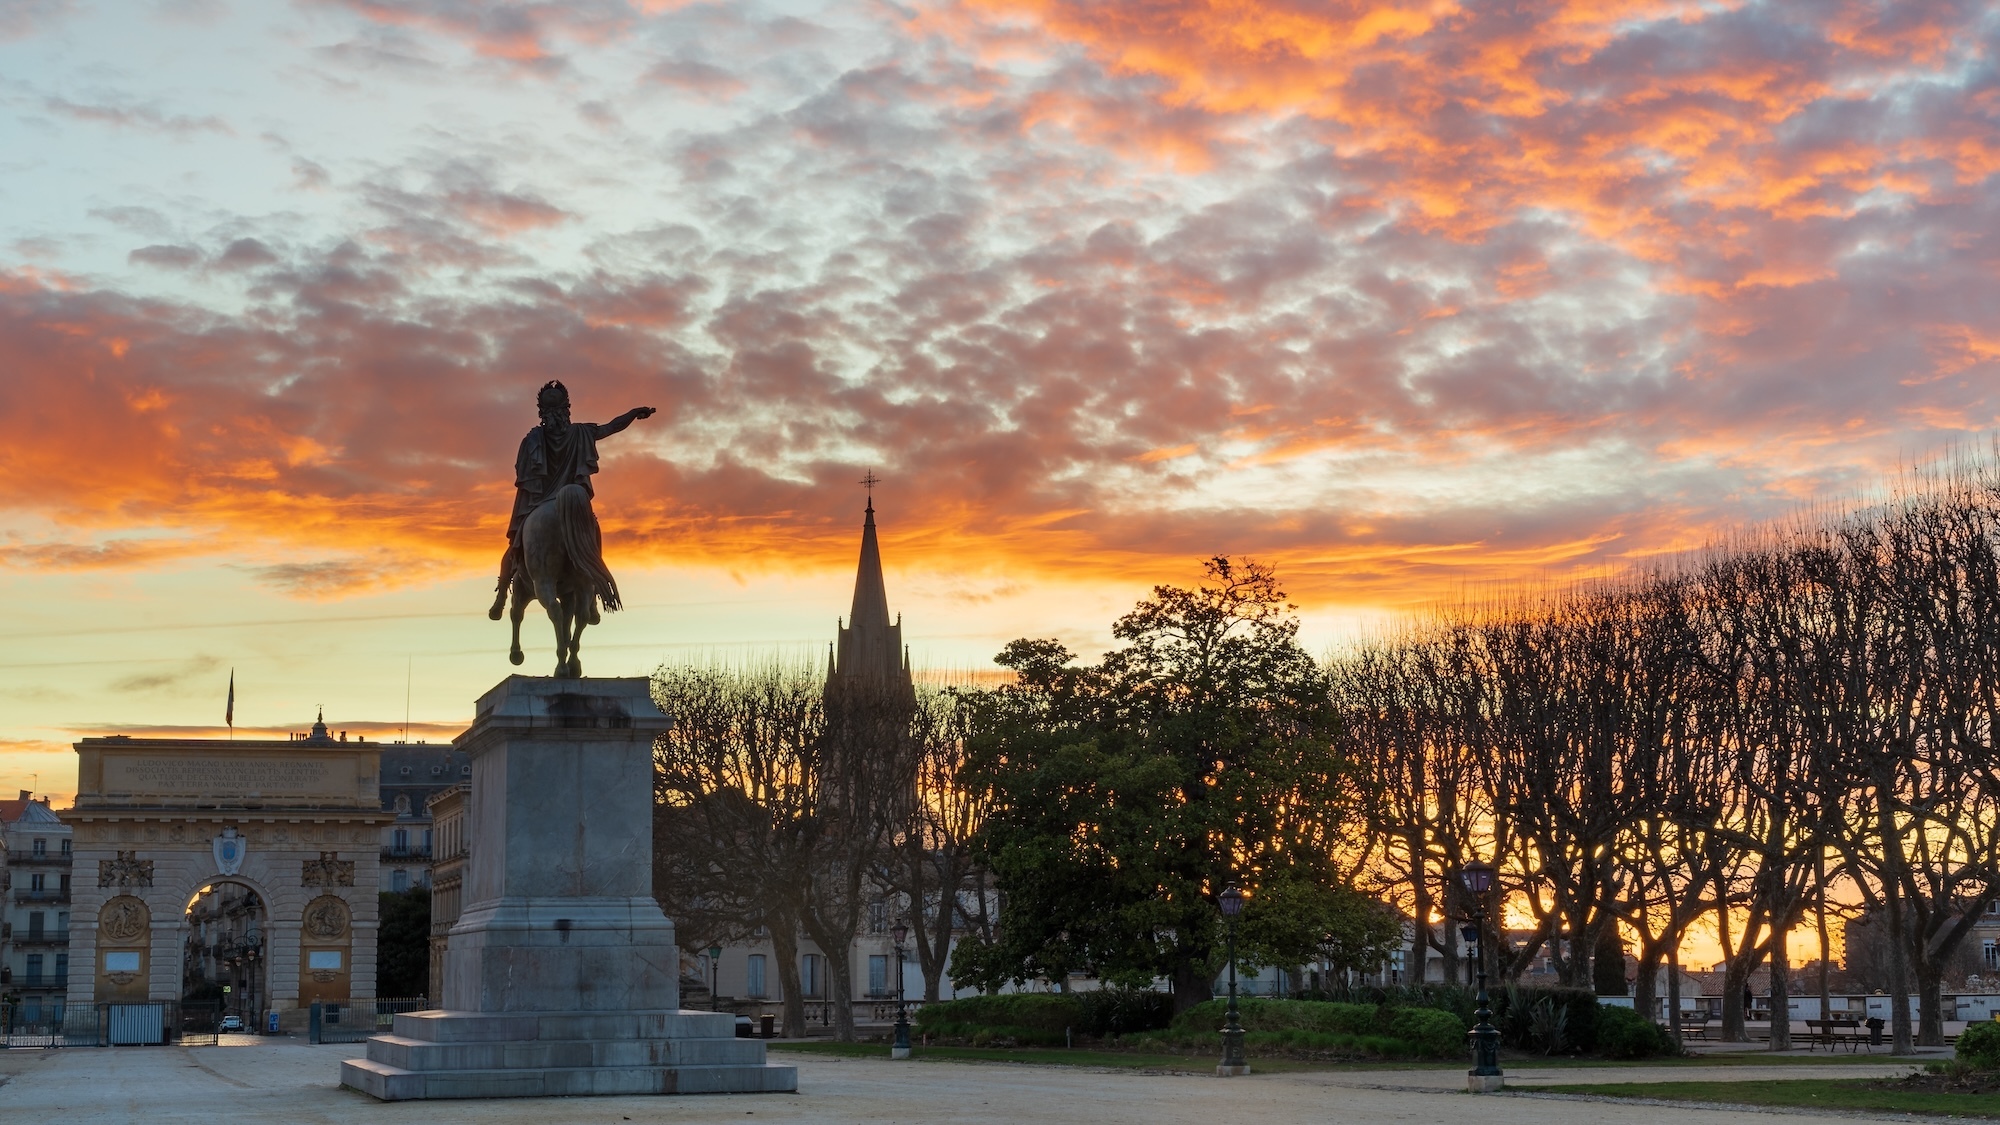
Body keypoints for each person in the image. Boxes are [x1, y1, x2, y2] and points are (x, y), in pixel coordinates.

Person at [490, 381, 655, 619]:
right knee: (592, 534)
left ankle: (501, 596)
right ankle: (593, 591)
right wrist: (633, 413)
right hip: (573, 502)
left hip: (539, 503)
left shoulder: (533, 439)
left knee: (514, 547)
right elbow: (611, 427)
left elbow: (522, 473)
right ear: (567, 407)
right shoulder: (581, 433)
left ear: (541, 410)